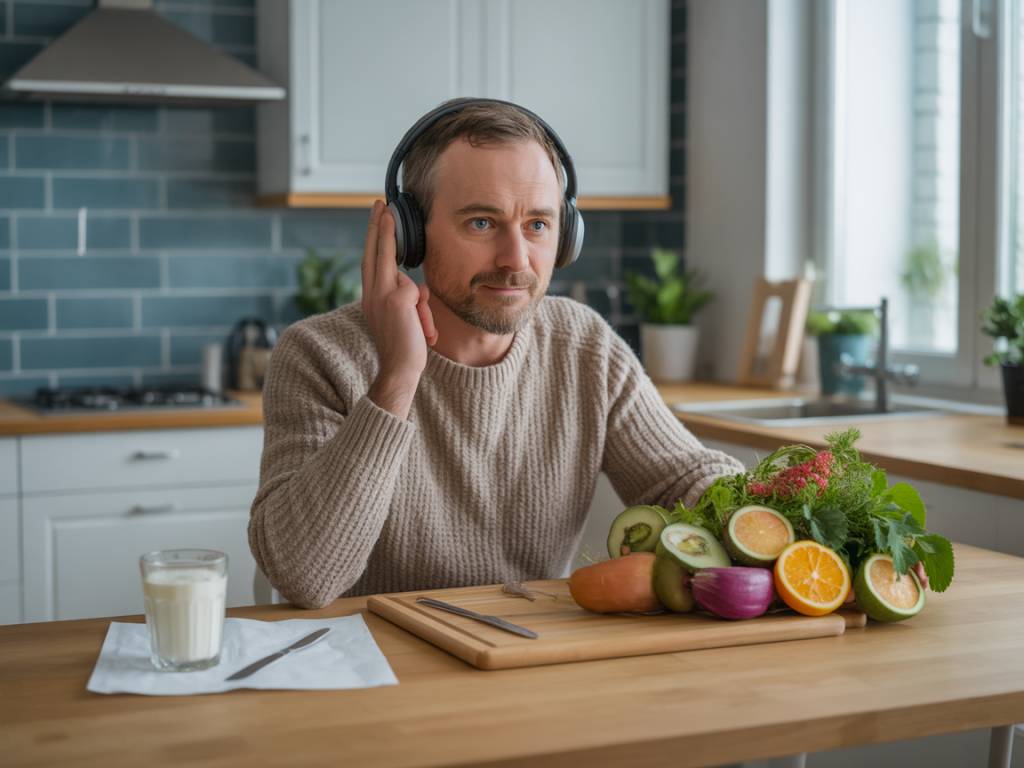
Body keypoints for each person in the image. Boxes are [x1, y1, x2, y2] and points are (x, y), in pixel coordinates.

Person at [248, 98, 744, 608]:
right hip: (377, 665)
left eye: (537, 225)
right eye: (482, 223)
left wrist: (782, 509)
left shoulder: (584, 346)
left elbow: (684, 480)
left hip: (526, 655)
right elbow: (305, 578)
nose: (515, 259)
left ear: (566, 235)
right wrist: (396, 378)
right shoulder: (318, 354)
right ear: (410, 236)